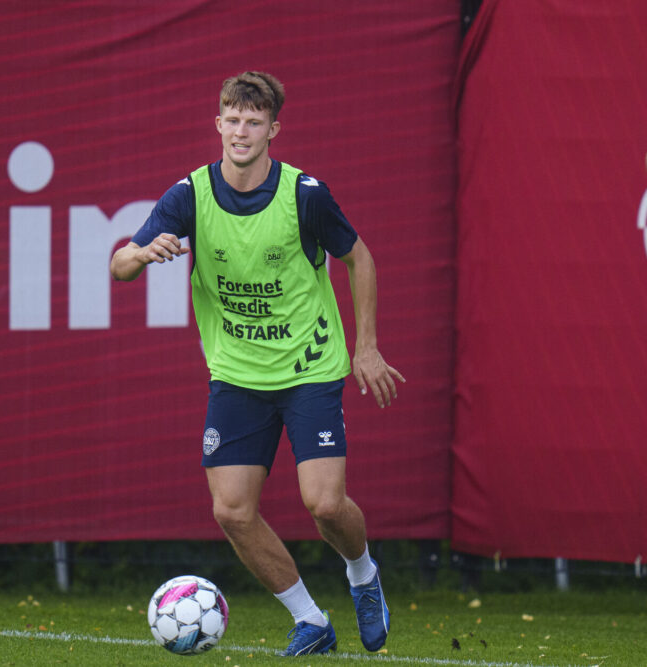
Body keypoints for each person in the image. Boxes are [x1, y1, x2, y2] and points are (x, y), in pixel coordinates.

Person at [111, 71, 404, 656]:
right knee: (232, 510)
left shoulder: (305, 195)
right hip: (238, 375)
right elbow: (119, 264)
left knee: (323, 503)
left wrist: (365, 347)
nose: (241, 131)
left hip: (311, 367)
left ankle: (363, 575)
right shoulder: (189, 195)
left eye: (254, 121)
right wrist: (141, 253)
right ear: (217, 124)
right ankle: (311, 622)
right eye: (232, 119)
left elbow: (360, 258)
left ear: (273, 129)